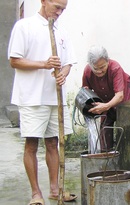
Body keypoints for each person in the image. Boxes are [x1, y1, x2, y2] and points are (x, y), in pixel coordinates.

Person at [7, 0, 77, 204]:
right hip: (32, 97)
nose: (59, 12)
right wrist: (43, 64)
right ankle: (36, 193)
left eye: (63, 9)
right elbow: (14, 60)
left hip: (55, 97)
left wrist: (63, 73)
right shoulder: (24, 26)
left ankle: (56, 189)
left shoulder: (61, 32)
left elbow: (68, 63)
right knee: (31, 144)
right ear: (44, 1)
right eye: (57, 7)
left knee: (53, 143)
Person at [82, 45, 130, 151]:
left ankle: (123, 154)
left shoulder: (115, 68)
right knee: (105, 127)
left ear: (108, 61)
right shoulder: (87, 71)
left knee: (124, 125)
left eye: (102, 67)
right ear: (90, 65)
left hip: (122, 99)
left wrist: (106, 106)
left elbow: (119, 95)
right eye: (96, 68)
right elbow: (85, 92)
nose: (99, 71)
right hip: (103, 101)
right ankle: (106, 154)